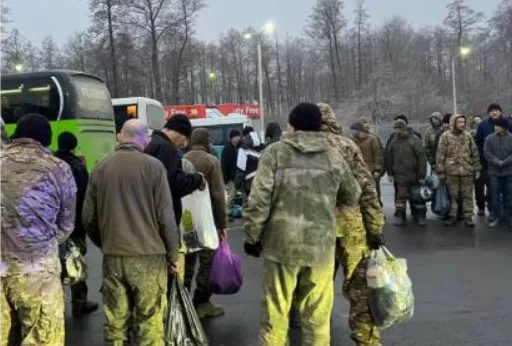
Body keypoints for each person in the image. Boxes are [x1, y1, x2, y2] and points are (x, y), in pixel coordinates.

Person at [244, 102, 361, 346]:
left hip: (280, 246)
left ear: (292, 125)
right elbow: (352, 194)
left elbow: (259, 199)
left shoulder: (275, 152)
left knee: (276, 314)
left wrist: (252, 236)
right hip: (320, 247)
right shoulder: (333, 156)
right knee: (317, 320)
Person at [82, 120, 181, 346]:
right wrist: (172, 255)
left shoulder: (101, 167)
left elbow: (88, 217)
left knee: (115, 322)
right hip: (149, 258)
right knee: (149, 321)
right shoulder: (154, 167)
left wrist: (106, 241)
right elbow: (166, 219)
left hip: (113, 257)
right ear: (144, 139)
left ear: (120, 137)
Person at [1, 113, 77, 345]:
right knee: (43, 338)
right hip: (38, 273)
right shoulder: (58, 169)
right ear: (46, 140)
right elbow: (66, 224)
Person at [319, 103, 385, 346]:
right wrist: (375, 227)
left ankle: (317, 333)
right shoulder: (347, 146)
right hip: (350, 227)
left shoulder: (297, 148)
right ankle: (366, 336)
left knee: (317, 284)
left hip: (315, 228)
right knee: (360, 286)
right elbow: (367, 189)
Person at [184, 128, 228, 318]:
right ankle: (201, 302)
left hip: (186, 219)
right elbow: (218, 195)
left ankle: (182, 300)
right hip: (207, 219)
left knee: (187, 259)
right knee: (207, 260)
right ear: (207, 141)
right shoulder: (211, 161)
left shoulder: (182, 158)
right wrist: (222, 223)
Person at [54, 132, 99, 317]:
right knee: (75, 262)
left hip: (53, 226)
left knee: (56, 264)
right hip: (75, 224)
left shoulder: (51, 164)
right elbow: (85, 198)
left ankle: (56, 305)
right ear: (74, 146)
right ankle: (79, 302)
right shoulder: (77, 167)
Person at [145, 114, 205, 226]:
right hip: (163, 216)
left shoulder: (150, 143)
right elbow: (176, 183)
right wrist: (198, 178)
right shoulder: (167, 148)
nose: (185, 144)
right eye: (186, 138)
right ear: (178, 131)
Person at [436, 114, 481, 227]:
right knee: (453, 196)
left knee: (467, 195)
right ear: (453, 123)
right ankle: (453, 216)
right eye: (459, 122)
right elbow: (440, 155)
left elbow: (474, 153)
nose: (462, 124)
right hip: (451, 172)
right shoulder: (445, 136)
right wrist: (440, 172)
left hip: (467, 171)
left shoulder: (467, 136)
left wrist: (477, 168)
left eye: (463, 122)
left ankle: (468, 216)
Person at [387, 119, 428, 227]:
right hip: (400, 175)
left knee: (418, 197)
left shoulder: (414, 140)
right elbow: (389, 157)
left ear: (404, 128)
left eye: (399, 128)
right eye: (395, 128)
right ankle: (400, 216)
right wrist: (390, 173)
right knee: (400, 197)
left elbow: (422, 158)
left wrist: (421, 175)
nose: (397, 131)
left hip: (414, 174)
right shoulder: (394, 141)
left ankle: (420, 216)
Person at [475, 104, 512, 216]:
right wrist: (482, 160)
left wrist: (505, 161)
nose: (494, 112)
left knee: (506, 192)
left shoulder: (508, 124)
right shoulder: (483, 125)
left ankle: (504, 213)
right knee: (487, 189)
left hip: (507, 164)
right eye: (491, 111)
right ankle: (486, 209)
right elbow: (479, 144)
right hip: (486, 162)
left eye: (496, 110)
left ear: (500, 112)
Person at [483, 117, 512, 227]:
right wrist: (496, 161)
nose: (496, 128)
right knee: (494, 196)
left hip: (509, 171)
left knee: (509, 196)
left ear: (504, 128)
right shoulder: (489, 138)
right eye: (495, 126)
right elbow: (486, 152)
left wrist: (504, 162)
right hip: (494, 172)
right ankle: (496, 217)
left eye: (498, 126)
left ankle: (509, 217)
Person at [350, 121, 383, 203]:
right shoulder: (351, 140)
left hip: (371, 170)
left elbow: (377, 154)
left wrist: (377, 169)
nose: (352, 132)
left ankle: (378, 211)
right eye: (352, 130)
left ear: (359, 130)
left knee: (374, 192)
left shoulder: (372, 139)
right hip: (358, 171)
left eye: (354, 130)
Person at [222, 129, 242, 212]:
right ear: (231, 138)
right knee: (231, 196)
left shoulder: (237, 147)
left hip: (236, 177)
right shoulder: (227, 149)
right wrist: (225, 180)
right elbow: (224, 165)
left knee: (234, 196)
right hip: (230, 178)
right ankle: (227, 212)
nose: (238, 138)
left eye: (238, 136)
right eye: (235, 136)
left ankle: (229, 211)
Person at [469, 115, 486, 215]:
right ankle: (481, 207)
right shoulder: (468, 135)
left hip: (485, 163)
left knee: (489, 187)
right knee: (478, 188)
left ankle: (488, 204)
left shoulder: (485, 131)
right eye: (475, 121)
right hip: (474, 165)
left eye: (479, 120)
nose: (477, 122)